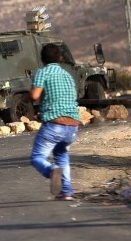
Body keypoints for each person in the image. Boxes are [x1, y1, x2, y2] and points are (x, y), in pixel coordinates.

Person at [24, 43, 81, 201]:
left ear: (42, 59)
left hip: (55, 125)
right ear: (60, 58)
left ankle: (51, 171)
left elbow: (35, 95)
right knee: (61, 154)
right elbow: (67, 99)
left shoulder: (42, 73)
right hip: (72, 126)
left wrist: (25, 97)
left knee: (37, 157)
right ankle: (67, 191)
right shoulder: (67, 76)